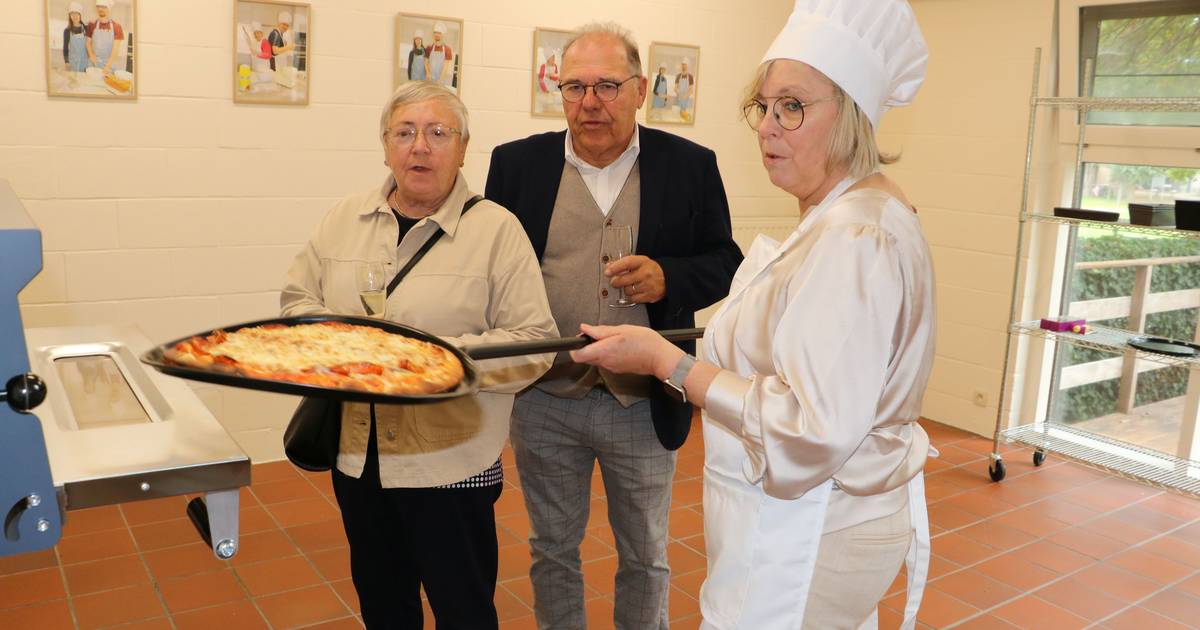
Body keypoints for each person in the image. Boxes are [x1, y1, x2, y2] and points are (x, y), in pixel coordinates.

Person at [570, 1, 935, 628]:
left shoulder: (855, 237)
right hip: (812, 518)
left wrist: (667, 362)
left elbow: (810, 428)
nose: (768, 126)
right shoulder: (842, 217)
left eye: (792, 105)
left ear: (849, 113)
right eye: (763, 106)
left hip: (813, 529)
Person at [485, 22, 742, 630]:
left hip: (644, 402)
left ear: (641, 89)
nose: (590, 102)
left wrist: (669, 278)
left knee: (647, 555)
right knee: (551, 549)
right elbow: (490, 268)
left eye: (606, 85)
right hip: (546, 397)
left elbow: (727, 262)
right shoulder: (515, 166)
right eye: (574, 87)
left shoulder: (690, 166)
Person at [281, 81, 557, 630]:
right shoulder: (344, 218)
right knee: (384, 603)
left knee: (463, 607)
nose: (420, 147)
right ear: (385, 145)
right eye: (405, 132)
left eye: (437, 133)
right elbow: (296, 301)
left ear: (462, 146)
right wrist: (334, 344)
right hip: (359, 457)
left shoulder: (497, 230)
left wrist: (435, 361)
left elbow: (535, 341)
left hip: (451, 460)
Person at [85, 0, 124, 76]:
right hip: (93, 63)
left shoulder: (117, 27)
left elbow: (115, 50)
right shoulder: (92, 25)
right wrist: (91, 55)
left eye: (103, 7)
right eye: (98, 7)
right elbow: (88, 43)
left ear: (109, 8)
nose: (100, 9)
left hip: (109, 64)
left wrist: (107, 66)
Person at [62, 2, 88, 72]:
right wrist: (66, 62)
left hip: (85, 64)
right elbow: (65, 49)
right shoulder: (67, 31)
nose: (75, 16)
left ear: (80, 15)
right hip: (72, 63)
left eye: (77, 13)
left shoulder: (86, 28)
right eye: (72, 14)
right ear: (70, 15)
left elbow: (90, 46)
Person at [427, 22, 454, 87]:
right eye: (435, 32)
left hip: (440, 81)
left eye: (439, 33)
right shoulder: (429, 48)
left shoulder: (447, 49)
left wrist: (439, 81)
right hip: (429, 80)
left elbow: (445, 68)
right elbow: (426, 62)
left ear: (442, 34)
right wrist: (428, 73)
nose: (437, 34)